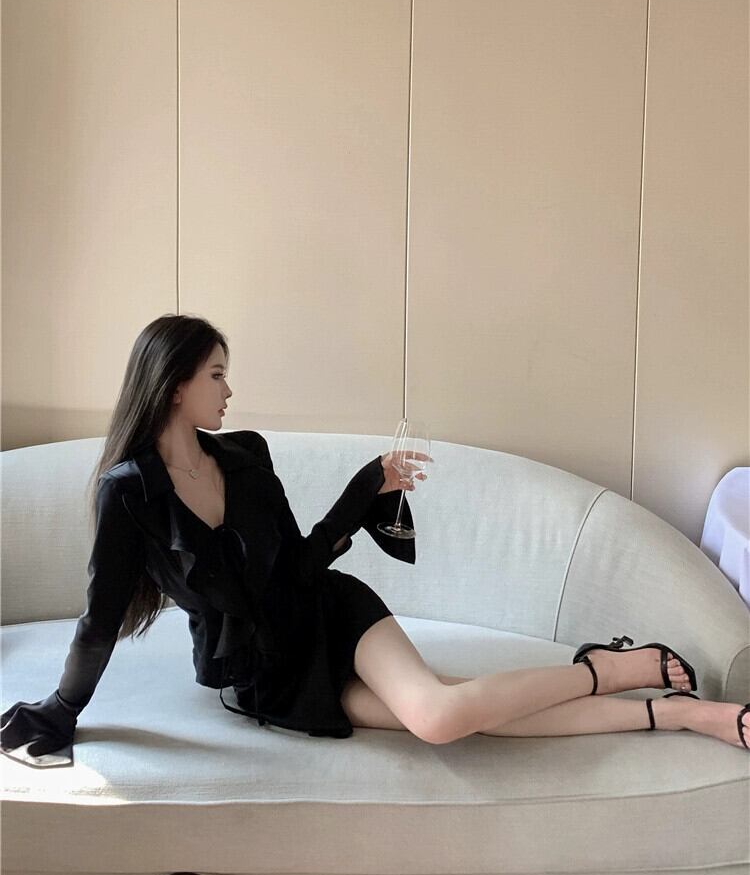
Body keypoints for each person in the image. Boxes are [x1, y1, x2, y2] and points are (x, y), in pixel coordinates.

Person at [1, 315, 748, 768]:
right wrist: (62, 708)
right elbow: (99, 620)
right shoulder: (129, 492)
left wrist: (365, 490)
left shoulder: (246, 456)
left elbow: (299, 563)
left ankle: (608, 669)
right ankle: (680, 713)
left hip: (330, 614)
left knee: (440, 716)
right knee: (464, 714)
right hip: (266, 678)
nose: (229, 391)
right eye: (217, 375)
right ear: (174, 385)